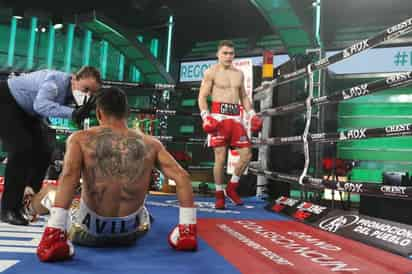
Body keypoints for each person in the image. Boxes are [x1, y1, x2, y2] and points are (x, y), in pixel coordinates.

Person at [33, 87, 197, 262]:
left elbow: (69, 176)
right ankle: (186, 231)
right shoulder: (151, 143)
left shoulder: (80, 139)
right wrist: (187, 228)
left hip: (89, 233)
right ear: (127, 113)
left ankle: (31, 208)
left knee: (49, 190)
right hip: (133, 234)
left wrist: (57, 229)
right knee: (145, 212)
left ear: (99, 112)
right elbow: (182, 177)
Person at [0, 67, 101, 225]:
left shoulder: (72, 93)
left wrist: (76, 113)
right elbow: (40, 105)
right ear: (74, 79)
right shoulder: (55, 82)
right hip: (7, 100)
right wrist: (72, 113)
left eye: (92, 93)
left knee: (45, 151)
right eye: (85, 89)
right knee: (21, 149)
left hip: (27, 111)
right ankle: (8, 209)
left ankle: (28, 198)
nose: (87, 95)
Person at [198, 40, 262, 210]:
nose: (228, 56)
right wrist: (205, 116)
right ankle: (219, 195)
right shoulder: (211, 72)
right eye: (225, 53)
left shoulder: (239, 74)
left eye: (231, 53)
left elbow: (244, 97)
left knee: (246, 155)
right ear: (218, 54)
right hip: (218, 118)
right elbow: (202, 97)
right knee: (220, 158)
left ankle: (231, 188)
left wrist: (252, 114)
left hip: (236, 119)